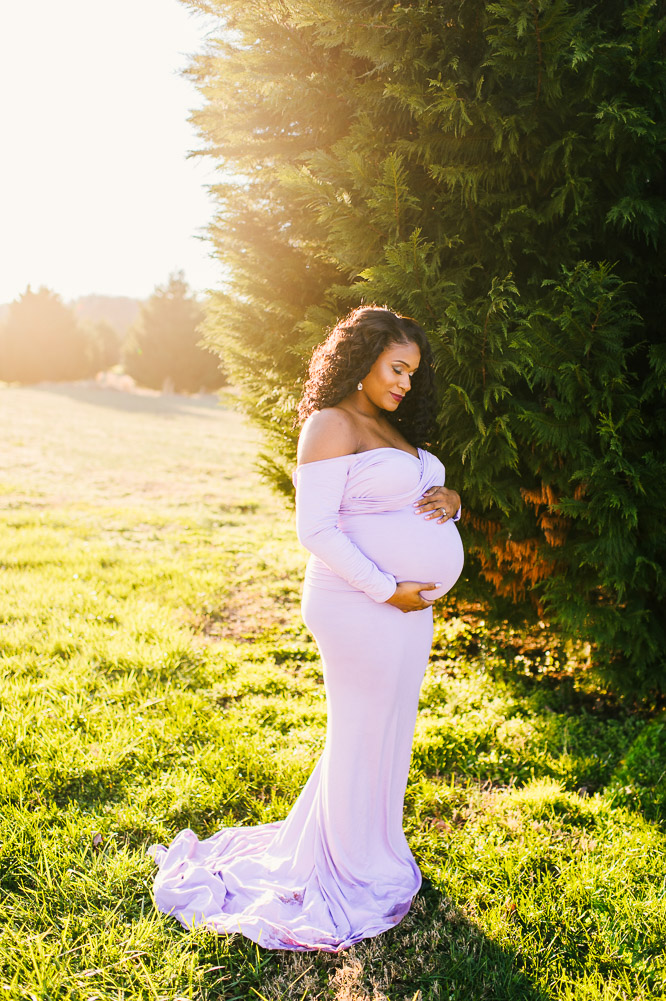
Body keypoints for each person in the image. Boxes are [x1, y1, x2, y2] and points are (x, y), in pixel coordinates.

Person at [148, 306, 464, 952]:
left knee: (391, 732)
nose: (405, 382)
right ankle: (348, 869)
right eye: (396, 367)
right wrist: (387, 589)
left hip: (407, 609)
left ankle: (376, 849)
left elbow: (413, 497)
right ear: (363, 357)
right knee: (359, 731)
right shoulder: (330, 423)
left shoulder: (389, 427)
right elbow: (314, 529)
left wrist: (452, 500)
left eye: (412, 373)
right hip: (360, 603)